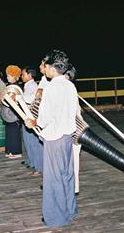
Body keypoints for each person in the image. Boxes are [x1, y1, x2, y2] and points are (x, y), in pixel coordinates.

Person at [25, 49, 78, 227]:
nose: (44, 70)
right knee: (67, 175)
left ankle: (56, 218)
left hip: (54, 138)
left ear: (53, 68)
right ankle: (70, 210)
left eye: (46, 66)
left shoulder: (52, 87)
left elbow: (45, 118)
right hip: (67, 136)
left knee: (54, 178)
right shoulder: (70, 86)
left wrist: (34, 122)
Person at [21, 66, 43, 175]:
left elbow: (31, 98)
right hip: (26, 116)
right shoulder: (27, 85)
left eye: (23, 74)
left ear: (29, 75)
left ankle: (39, 166)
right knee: (27, 140)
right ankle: (32, 162)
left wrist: (19, 96)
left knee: (34, 142)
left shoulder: (34, 86)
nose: (21, 76)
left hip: (32, 116)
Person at [65, 65, 81, 195]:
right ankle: (70, 186)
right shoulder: (67, 88)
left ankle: (74, 187)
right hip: (70, 128)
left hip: (75, 128)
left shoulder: (69, 88)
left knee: (74, 159)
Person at [4, 65, 23, 159]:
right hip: (8, 112)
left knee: (14, 131)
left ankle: (17, 152)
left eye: (8, 75)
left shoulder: (17, 87)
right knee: (9, 131)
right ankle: (10, 150)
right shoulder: (9, 86)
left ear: (14, 76)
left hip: (15, 113)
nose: (7, 77)